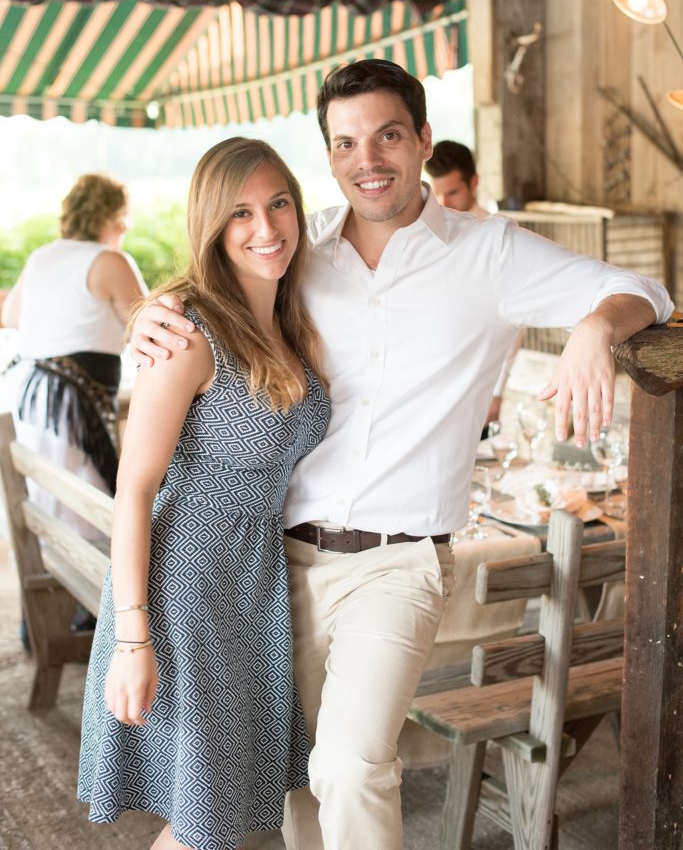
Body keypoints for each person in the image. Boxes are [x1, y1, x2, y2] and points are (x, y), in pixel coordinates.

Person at [131, 60, 673, 850]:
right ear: (328, 156)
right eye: (345, 142)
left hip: (399, 563)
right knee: (302, 780)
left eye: (386, 135)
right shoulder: (296, 247)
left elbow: (644, 290)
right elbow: (207, 298)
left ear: (421, 139)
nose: (367, 159)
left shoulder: (490, 255)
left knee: (351, 765)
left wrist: (595, 327)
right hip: (272, 564)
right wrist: (147, 315)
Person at [77, 138, 331, 850]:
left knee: (221, 812)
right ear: (211, 226)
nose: (266, 228)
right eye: (240, 213)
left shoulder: (288, 314)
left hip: (251, 579)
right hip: (185, 582)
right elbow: (133, 490)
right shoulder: (187, 331)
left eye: (279, 203)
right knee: (206, 820)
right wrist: (134, 639)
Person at [1, 173, 146, 539]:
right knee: (88, 511)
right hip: (68, 408)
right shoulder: (111, 261)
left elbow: (13, 317)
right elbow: (149, 330)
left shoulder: (41, 258)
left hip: (28, 396)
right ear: (113, 218)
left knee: (51, 507)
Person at [424, 139, 521, 427]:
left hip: (481, 388)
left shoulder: (498, 241)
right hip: (436, 388)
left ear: (474, 182)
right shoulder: (425, 238)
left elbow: (514, 328)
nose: (444, 204)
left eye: (452, 192)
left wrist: (497, 393)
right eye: (437, 195)